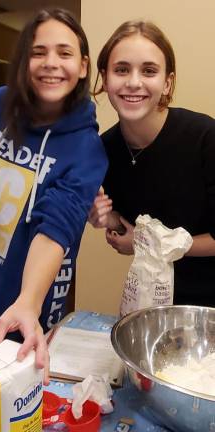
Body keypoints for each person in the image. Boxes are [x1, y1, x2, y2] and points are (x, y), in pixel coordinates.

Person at [0, 8, 108, 378]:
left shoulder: (86, 148)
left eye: (64, 53)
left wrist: (28, 303)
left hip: (25, 317)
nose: (51, 63)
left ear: (83, 66)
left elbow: (57, 226)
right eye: (39, 52)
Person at [89, 20, 215, 307]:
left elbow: (143, 240)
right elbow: (131, 234)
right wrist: (106, 218)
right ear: (105, 79)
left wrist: (153, 244)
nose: (134, 82)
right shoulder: (103, 150)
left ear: (167, 82)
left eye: (148, 70)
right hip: (155, 306)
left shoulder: (205, 137)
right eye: (121, 69)